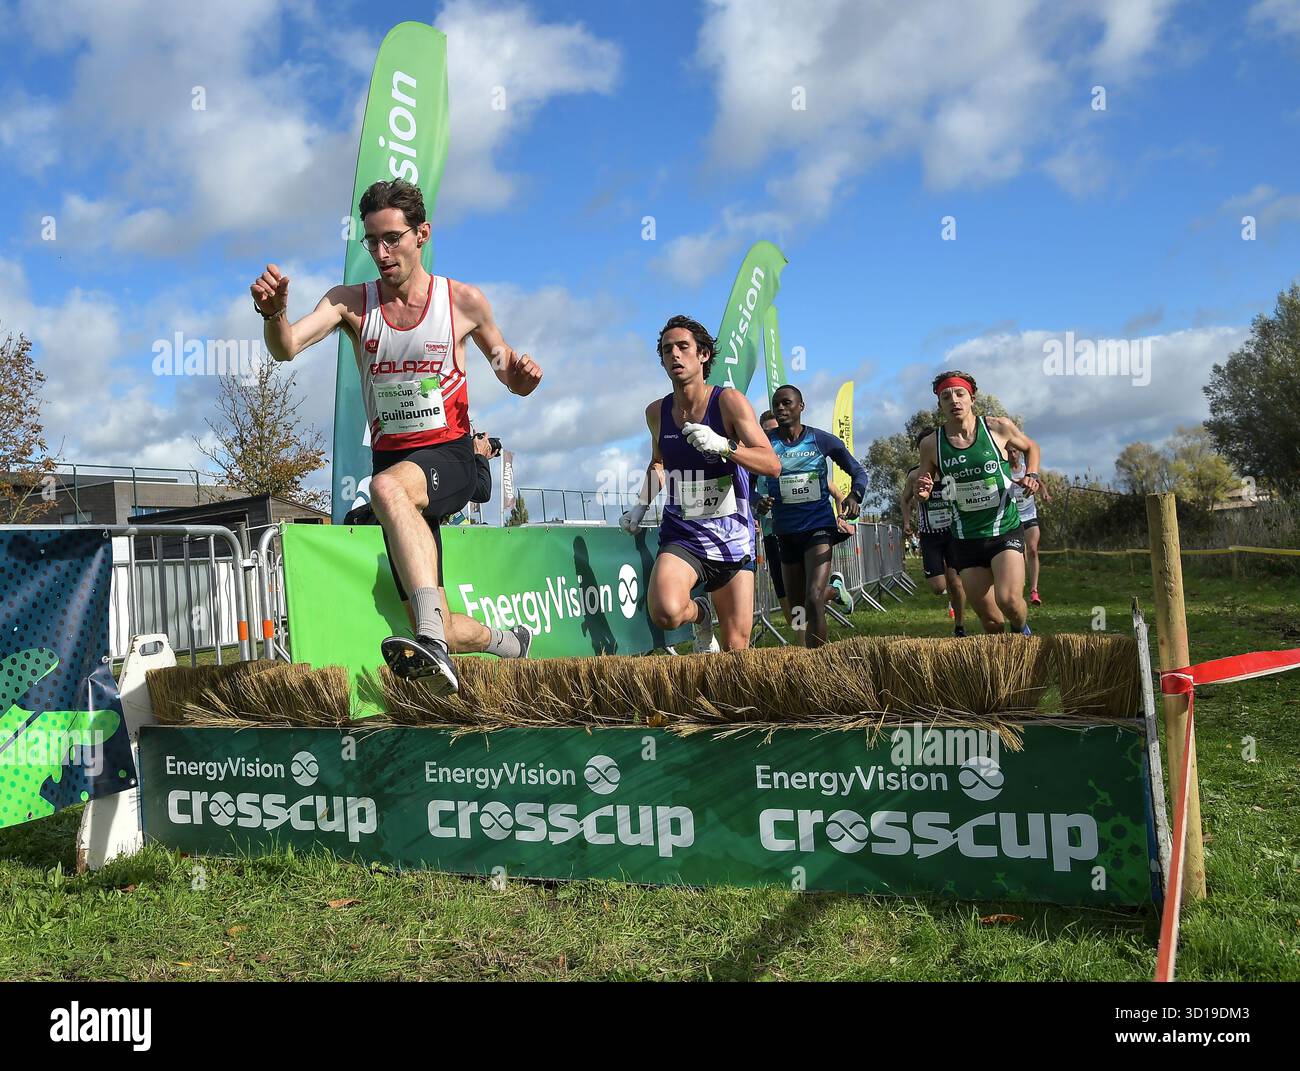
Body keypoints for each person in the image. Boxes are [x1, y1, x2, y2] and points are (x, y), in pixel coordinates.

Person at [250, 179, 542, 693]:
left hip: (448, 455)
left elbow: (507, 375)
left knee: (387, 492)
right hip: (394, 466)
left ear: (421, 234)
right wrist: (274, 314)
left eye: (392, 239)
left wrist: (522, 376)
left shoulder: (463, 302)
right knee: (437, 620)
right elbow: (286, 347)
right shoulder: (350, 304)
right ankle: (511, 643)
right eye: (372, 242)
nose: (381, 253)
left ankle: (431, 641)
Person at [620, 316, 780, 652]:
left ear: (703, 355)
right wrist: (641, 505)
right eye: (666, 350)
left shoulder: (729, 403)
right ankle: (700, 613)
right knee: (665, 611)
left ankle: (726, 706)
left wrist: (725, 446)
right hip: (684, 534)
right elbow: (659, 462)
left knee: (736, 647)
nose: (674, 355)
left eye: (683, 347)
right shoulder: (656, 412)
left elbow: (772, 464)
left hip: (732, 539)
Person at [914, 371, 1041, 635]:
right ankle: (1003, 667)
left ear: (971, 398)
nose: (954, 401)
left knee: (1009, 602)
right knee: (991, 622)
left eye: (960, 394)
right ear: (940, 405)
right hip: (965, 538)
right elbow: (924, 488)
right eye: (946, 396)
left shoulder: (997, 427)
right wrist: (922, 491)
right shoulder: (931, 444)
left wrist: (1032, 474)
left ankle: (1022, 632)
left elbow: (1031, 447)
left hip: (1004, 529)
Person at [755, 384, 868, 647]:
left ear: (801, 406)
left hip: (818, 528)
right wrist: (758, 501)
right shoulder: (765, 445)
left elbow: (858, 472)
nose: (781, 409)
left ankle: (819, 664)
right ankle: (805, 648)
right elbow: (746, 485)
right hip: (784, 531)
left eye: (787, 403)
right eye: (777, 405)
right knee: (797, 608)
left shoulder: (820, 440)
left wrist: (855, 496)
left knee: (814, 598)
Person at [902, 429, 967, 636]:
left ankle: (959, 626)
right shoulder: (915, 475)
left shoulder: (951, 470)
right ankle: (949, 592)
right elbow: (904, 499)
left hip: (952, 532)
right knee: (939, 587)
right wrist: (906, 521)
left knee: (956, 582)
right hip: (929, 535)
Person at [1006, 443, 1049, 605]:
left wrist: (1044, 492)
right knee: (1019, 554)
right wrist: (1017, 482)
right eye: (1009, 452)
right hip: (1013, 516)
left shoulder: (1026, 468)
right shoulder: (1004, 471)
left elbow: (1039, 481)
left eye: (1015, 451)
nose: (1012, 455)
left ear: (1020, 453)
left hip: (1029, 514)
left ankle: (1034, 591)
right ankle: (1019, 587)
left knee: (1032, 550)